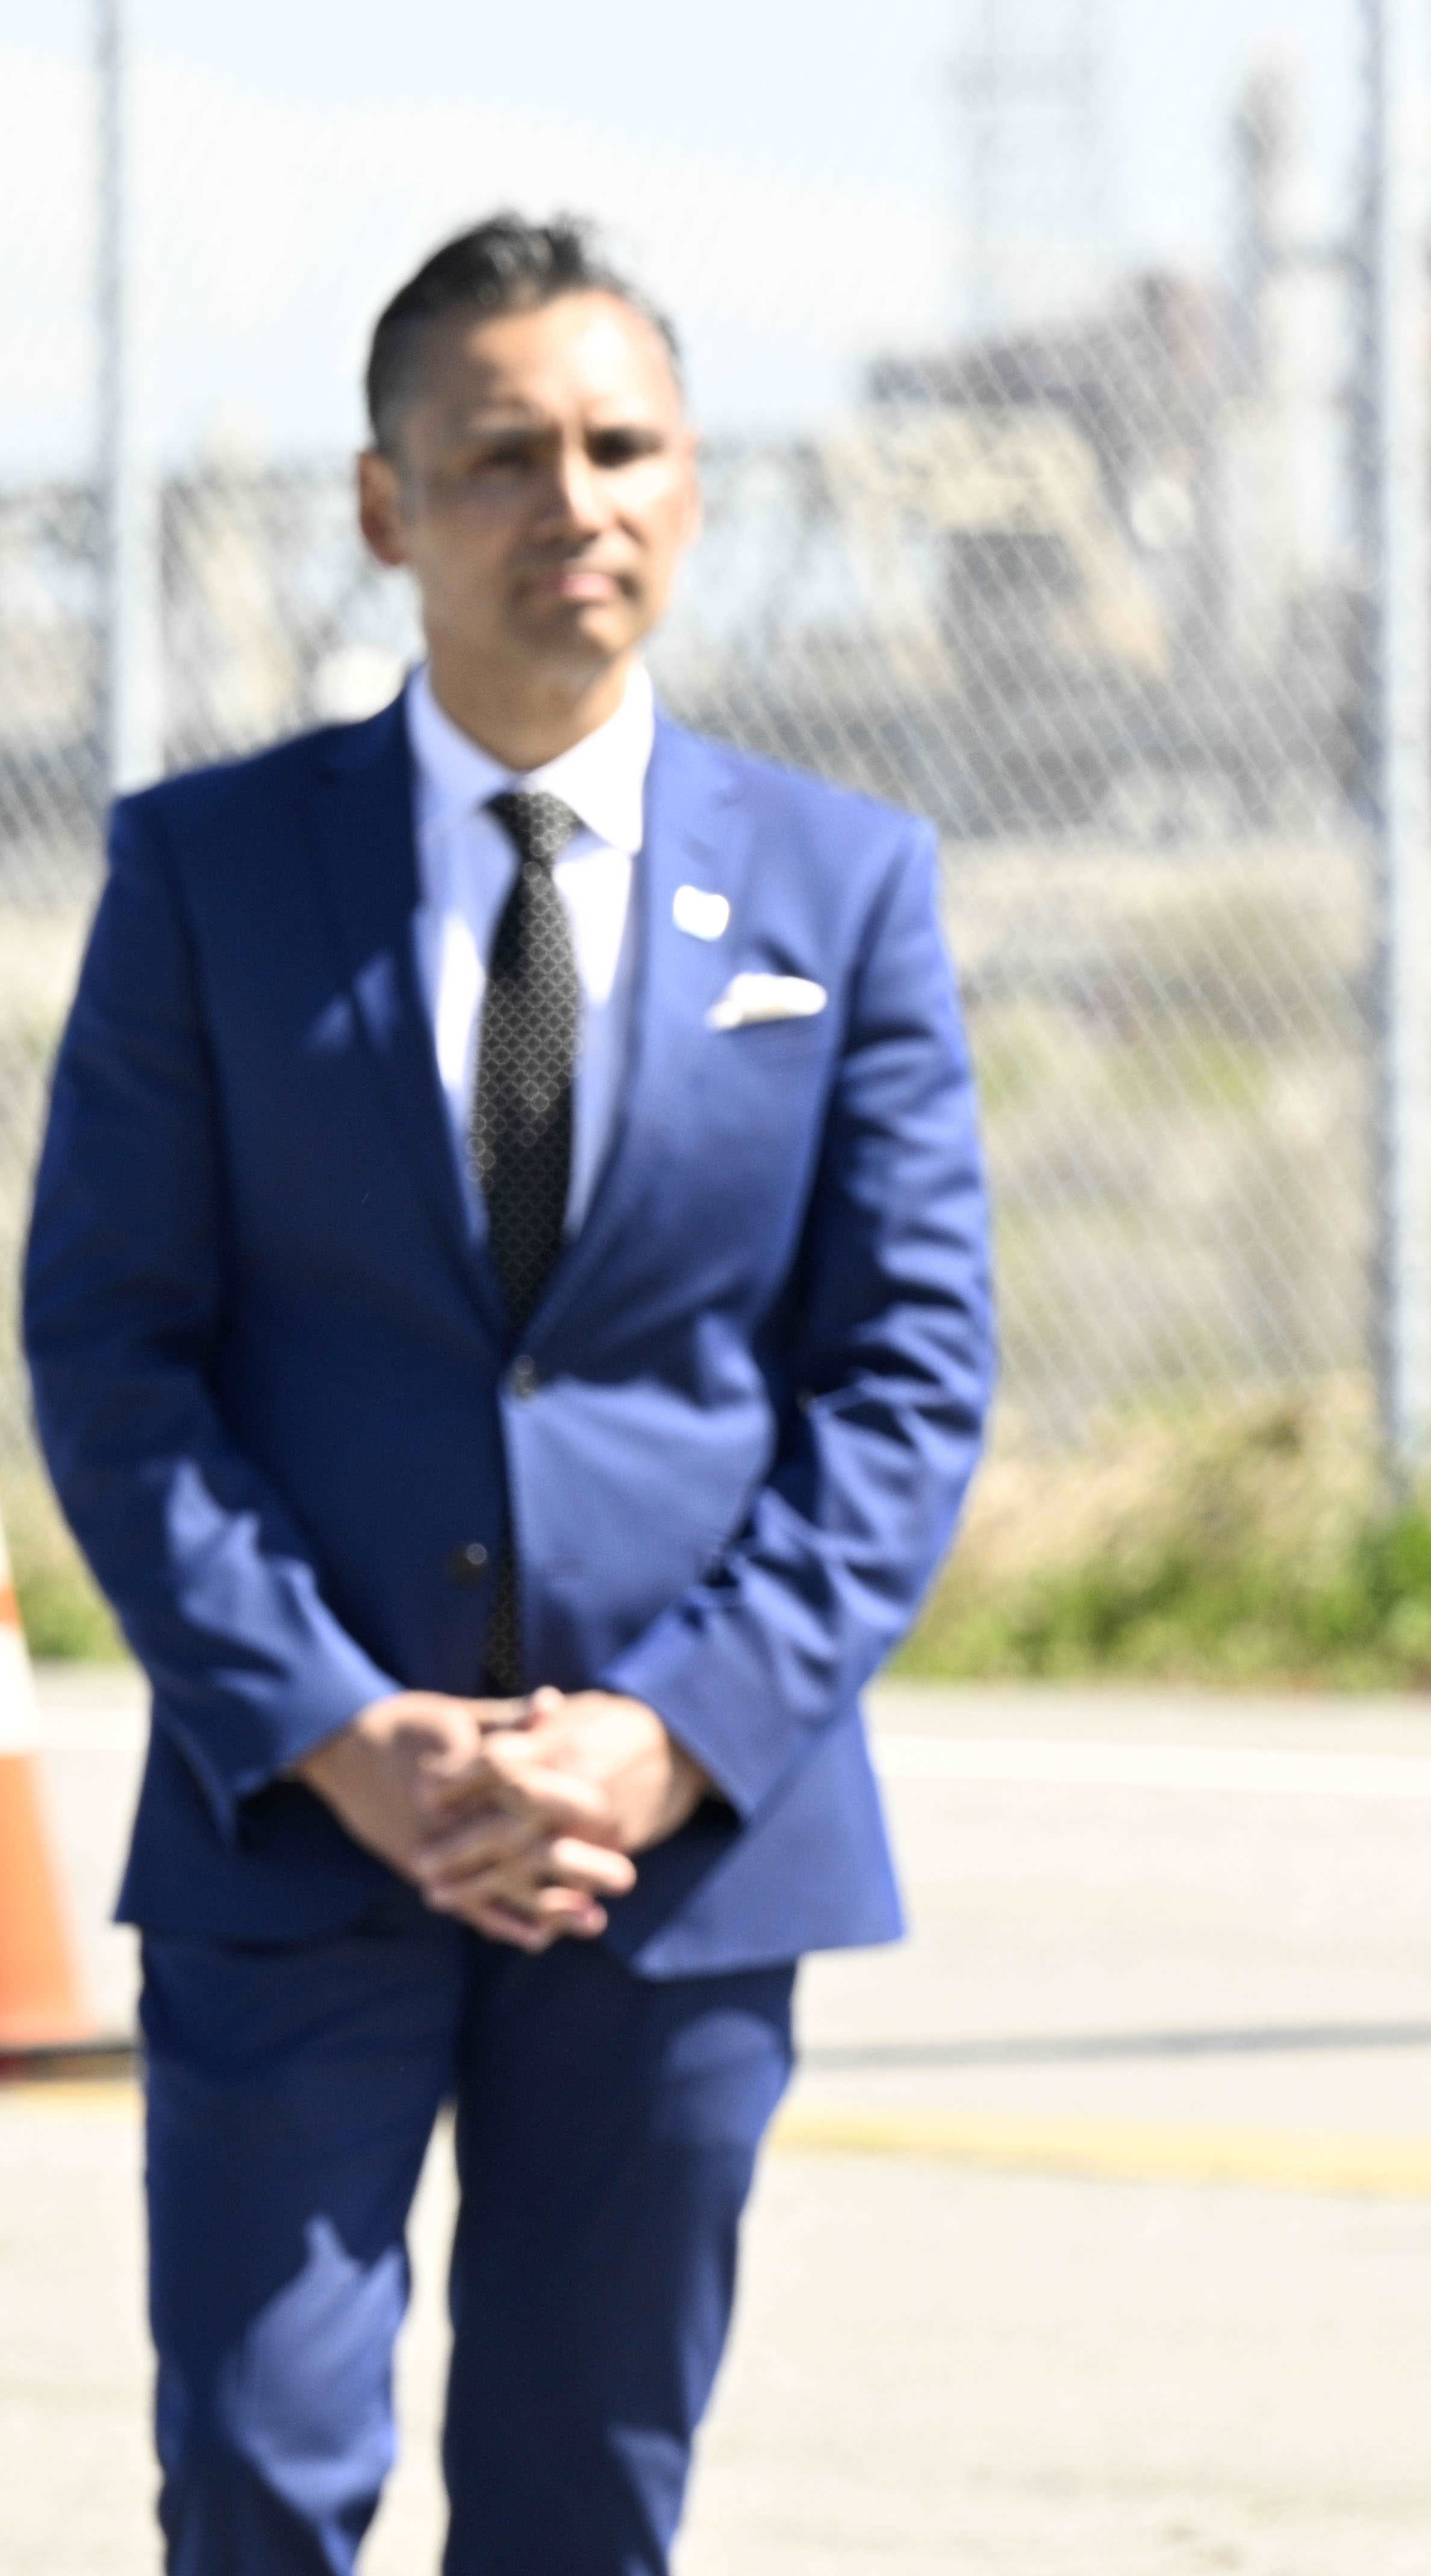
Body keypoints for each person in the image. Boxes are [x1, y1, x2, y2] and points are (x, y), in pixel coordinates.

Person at [27, 215, 994, 2574]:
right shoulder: (208, 874)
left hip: (670, 1852)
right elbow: (113, 1349)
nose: (572, 499)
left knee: (583, 2498)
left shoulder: (844, 890)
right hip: (303, 1827)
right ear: (384, 509)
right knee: (258, 2470)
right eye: (499, 455)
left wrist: (661, 1737)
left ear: (689, 485)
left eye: (621, 444)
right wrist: (340, 1728)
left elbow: (905, 1375)